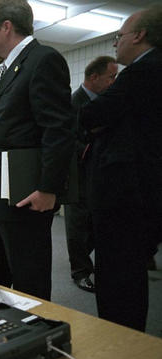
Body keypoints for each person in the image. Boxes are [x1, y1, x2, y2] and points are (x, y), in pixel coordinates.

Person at [0, 0, 75, 300]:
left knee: (29, 274)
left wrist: (49, 188)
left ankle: (35, 338)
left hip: (24, 192)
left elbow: (58, 129)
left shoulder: (43, 60)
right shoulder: (7, 67)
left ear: (7, 27)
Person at [80, 5, 162, 331]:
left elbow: (89, 117)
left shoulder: (142, 72)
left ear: (139, 36)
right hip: (144, 191)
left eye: (120, 36)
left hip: (124, 196)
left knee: (117, 276)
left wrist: (100, 123)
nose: (116, 44)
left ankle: (120, 341)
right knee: (132, 271)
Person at [65, 56, 118, 293]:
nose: (113, 82)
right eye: (111, 77)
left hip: (100, 174)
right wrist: (91, 144)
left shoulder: (105, 102)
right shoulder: (73, 103)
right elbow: (66, 139)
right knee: (77, 225)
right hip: (77, 174)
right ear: (94, 77)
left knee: (96, 223)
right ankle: (80, 272)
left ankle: (85, 261)